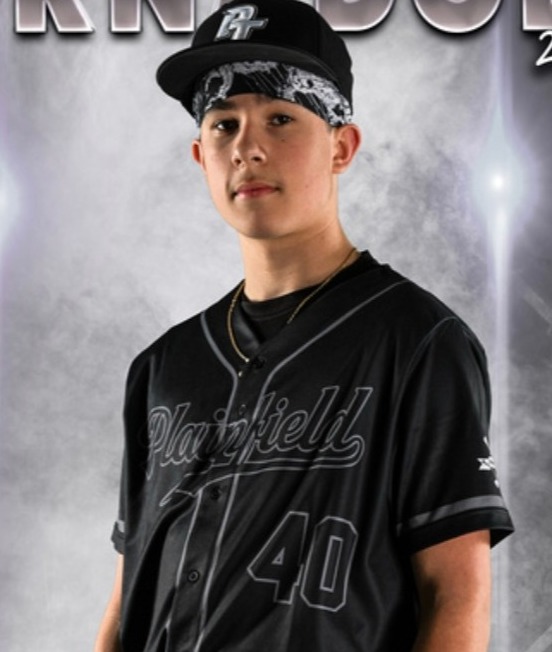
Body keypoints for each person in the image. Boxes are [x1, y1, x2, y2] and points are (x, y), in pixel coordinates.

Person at [95, 1, 514, 650]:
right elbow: (127, 596)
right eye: (224, 125)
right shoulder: (162, 367)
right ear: (200, 157)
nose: (248, 148)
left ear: (341, 146)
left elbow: (456, 594)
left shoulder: (417, 341)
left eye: (281, 118)